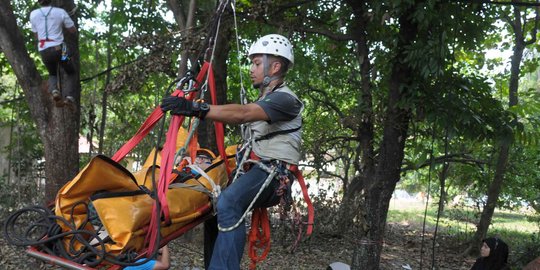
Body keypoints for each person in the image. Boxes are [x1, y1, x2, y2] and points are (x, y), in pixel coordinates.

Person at [160, 34, 302, 269]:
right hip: (258, 171)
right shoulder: (268, 98)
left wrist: (196, 108)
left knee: (228, 202)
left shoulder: (285, 100)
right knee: (214, 207)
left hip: (275, 175)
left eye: (257, 63)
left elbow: (242, 114)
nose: (251, 69)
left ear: (275, 66)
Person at [29, 0, 77, 105]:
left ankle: (55, 90)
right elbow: (72, 30)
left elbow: (36, 35)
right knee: (71, 72)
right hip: (60, 48)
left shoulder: (33, 14)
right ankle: (69, 97)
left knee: (52, 73)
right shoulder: (60, 12)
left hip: (43, 49)